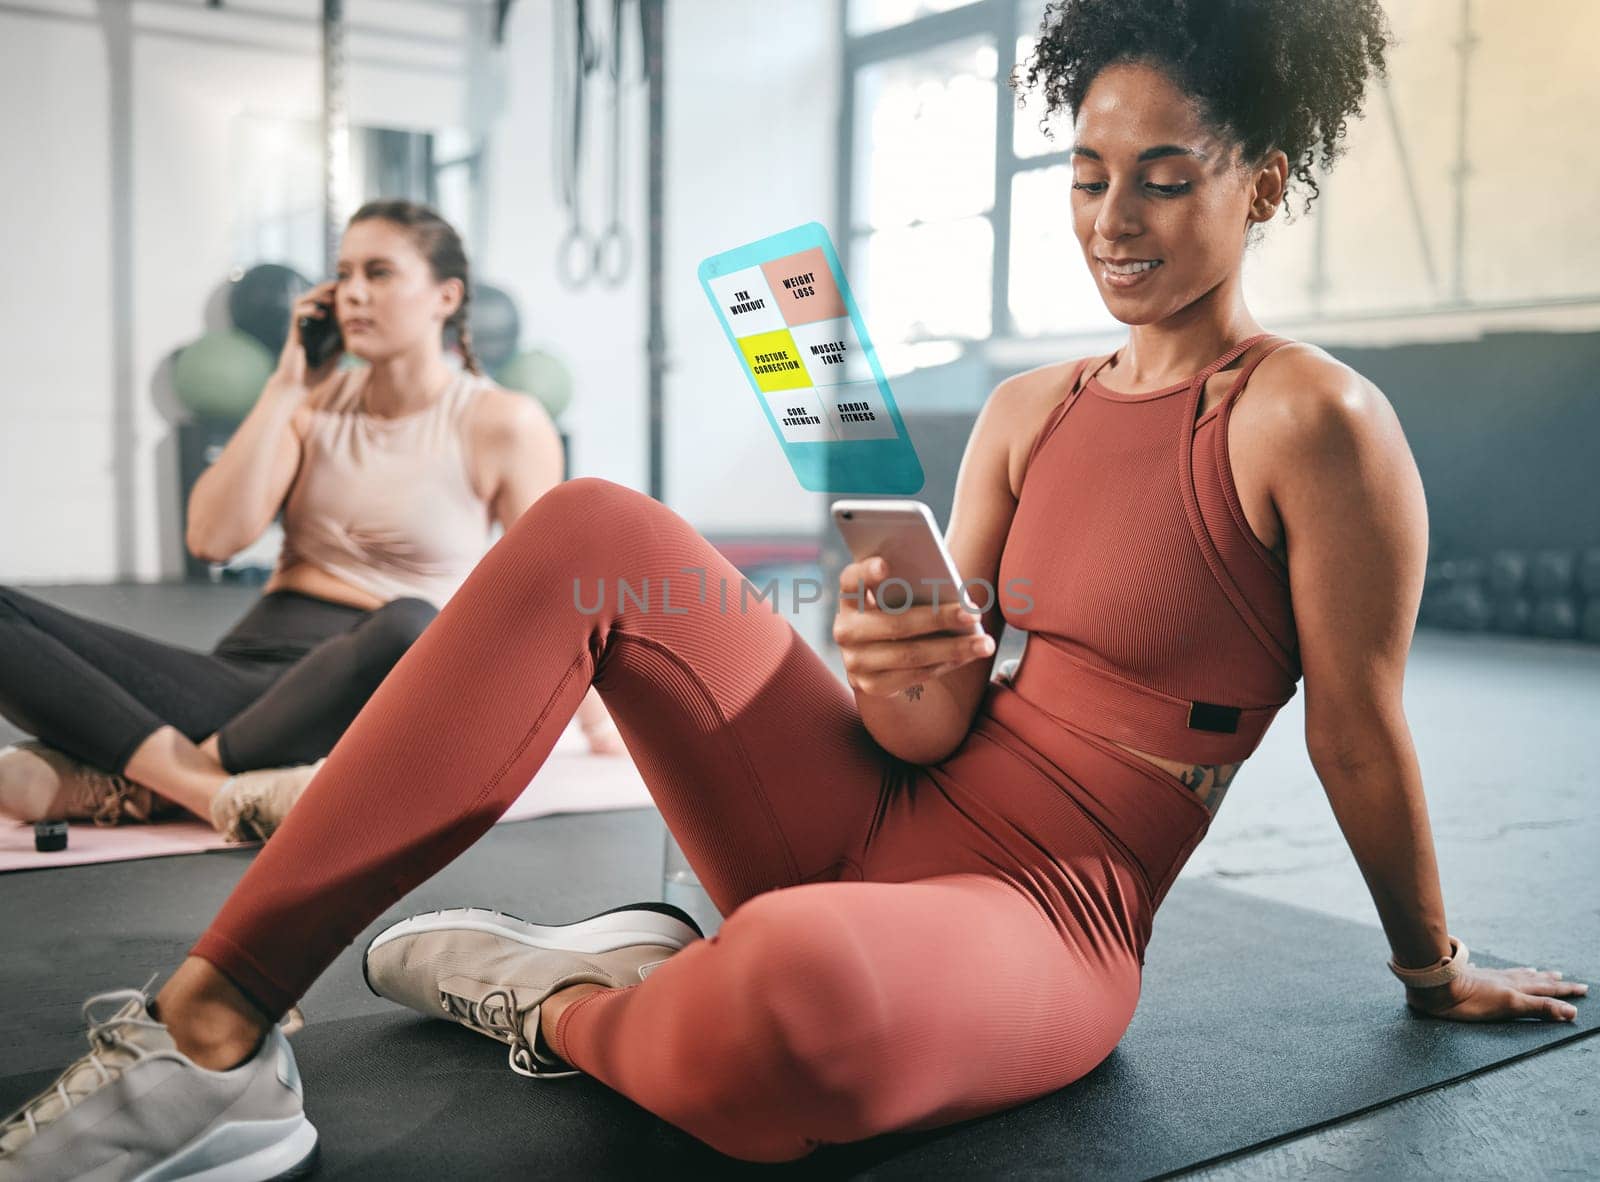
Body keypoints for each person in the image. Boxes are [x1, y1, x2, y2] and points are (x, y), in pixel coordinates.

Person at [1, 1, 1589, 1175]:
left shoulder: (1320, 420)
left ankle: (552, 992)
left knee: (796, 999)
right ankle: (210, 1026)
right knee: (592, 527)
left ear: (1271, 176)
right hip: (875, 816)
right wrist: (893, 657)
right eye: (1088, 174)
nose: (1115, 220)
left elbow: (1361, 731)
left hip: (1049, 912)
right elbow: (925, 729)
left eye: (1164, 178)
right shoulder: (1035, 410)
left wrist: (1428, 966)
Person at [0, 200, 622, 845]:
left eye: (378, 273)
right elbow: (213, 539)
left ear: (445, 295)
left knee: (411, 621)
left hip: (381, 676)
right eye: (343, 274)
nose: (352, 294)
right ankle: (204, 789)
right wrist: (286, 388)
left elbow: (550, 592)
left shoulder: (505, 422)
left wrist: (606, 728)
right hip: (251, 677)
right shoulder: (309, 403)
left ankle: (135, 779)